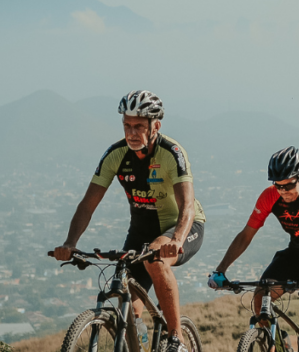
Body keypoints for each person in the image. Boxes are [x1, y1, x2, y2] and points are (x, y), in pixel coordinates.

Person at [53, 90, 206, 352]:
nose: (132, 132)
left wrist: (177, 239)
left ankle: (176, 339)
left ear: (155, 125)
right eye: (127, 125)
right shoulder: (115, 154)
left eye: (138, 126)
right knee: (128, 306)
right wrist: (70, 242)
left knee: (155, 259)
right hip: (140, 231)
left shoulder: (172, 152)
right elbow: (87, 204)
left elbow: (187, 206)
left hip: (182, 226)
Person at [209, 146, 299, 352]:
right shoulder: (270, 196)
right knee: (260, 297)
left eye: (289, 185)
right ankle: (280, 345)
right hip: (296, 256)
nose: (283, 191)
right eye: (278, 186)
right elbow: (245, 236)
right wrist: (220, 270)